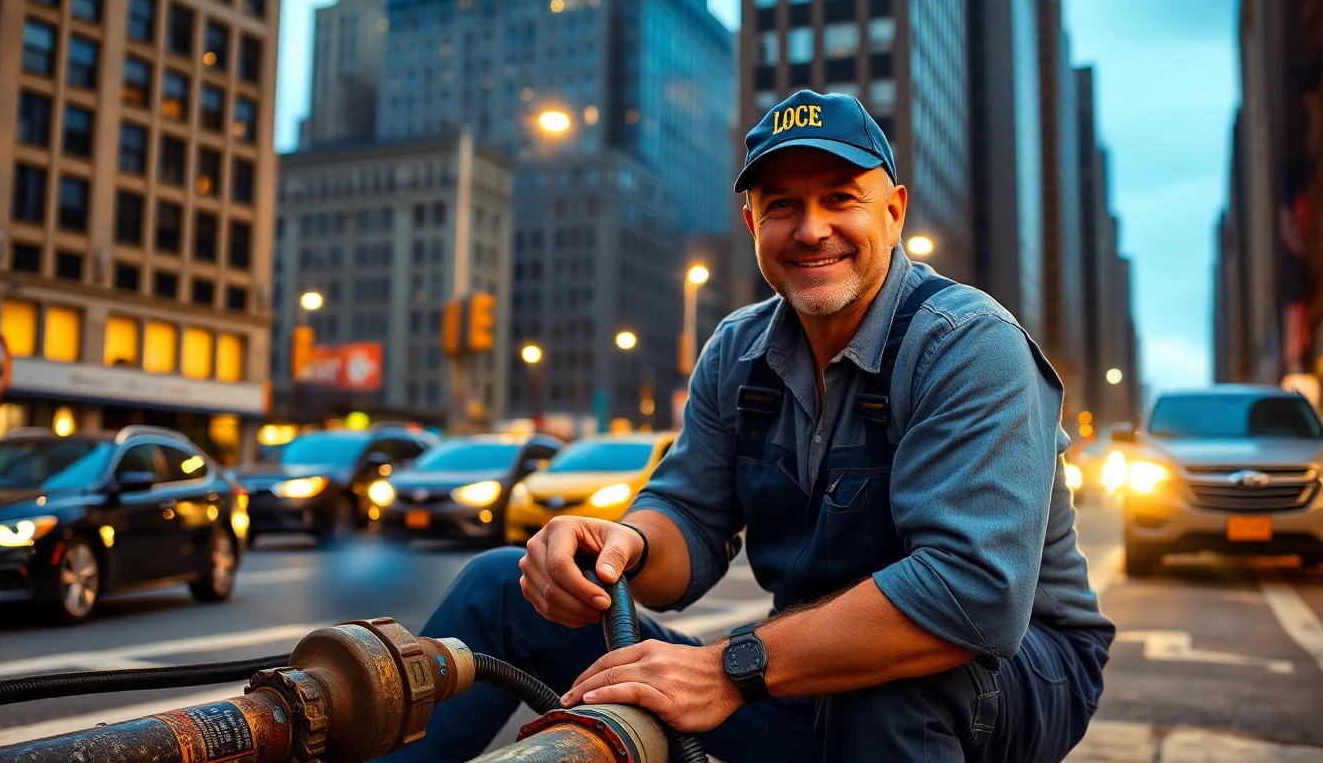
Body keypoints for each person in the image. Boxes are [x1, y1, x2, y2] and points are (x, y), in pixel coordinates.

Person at [383, 90, 1115, 763]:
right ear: (752, 223)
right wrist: (623, 547)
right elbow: (689, 519)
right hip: (804, 676)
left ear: (893, 213)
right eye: (782, 206)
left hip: (1012, 673)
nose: (811, 229)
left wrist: (729, 669)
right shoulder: (736, 349)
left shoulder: (966, 343)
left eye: (839, 199)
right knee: (496, 585)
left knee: (887, 690)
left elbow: (973, 595)